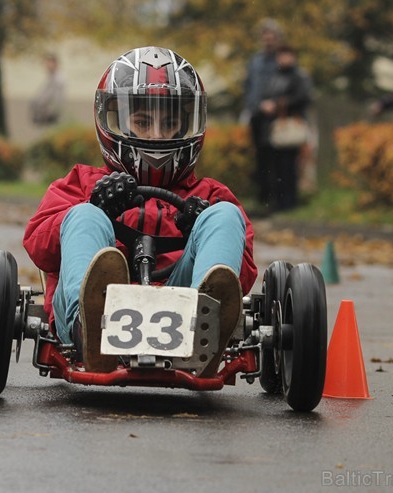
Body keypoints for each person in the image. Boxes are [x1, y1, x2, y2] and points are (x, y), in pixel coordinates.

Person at [23, 47, 258, 377]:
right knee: (83, 216)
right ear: (113, 120)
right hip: (93, 315)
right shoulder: (80, 182)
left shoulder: (210, 195)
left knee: (224, 216)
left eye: (171, 123)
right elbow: (38, 247)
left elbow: (244, 276)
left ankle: (206, 327)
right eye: (143, 122)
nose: (157, 135)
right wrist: (97, 207)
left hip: (184, 311)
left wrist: (198, 227)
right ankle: (89, 328)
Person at [255, 44, 312, 210]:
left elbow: (302, 97)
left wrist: (280, 104)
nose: (284, 59)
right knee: (276, 167)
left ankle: (289, 201)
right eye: (281, 55)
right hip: (274, 128)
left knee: (289, 167)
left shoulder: (299, 76)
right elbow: (264, 95)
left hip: (289, 126)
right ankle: (279, 201)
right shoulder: (274, 76)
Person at [30, 53, 65, 126]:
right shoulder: (51, 77)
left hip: (50, 114)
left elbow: (55, 98)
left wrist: (48, 111)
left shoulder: (58, 79)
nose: (47, 65)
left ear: (55, 63)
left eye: (49, 63)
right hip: (44, 114)